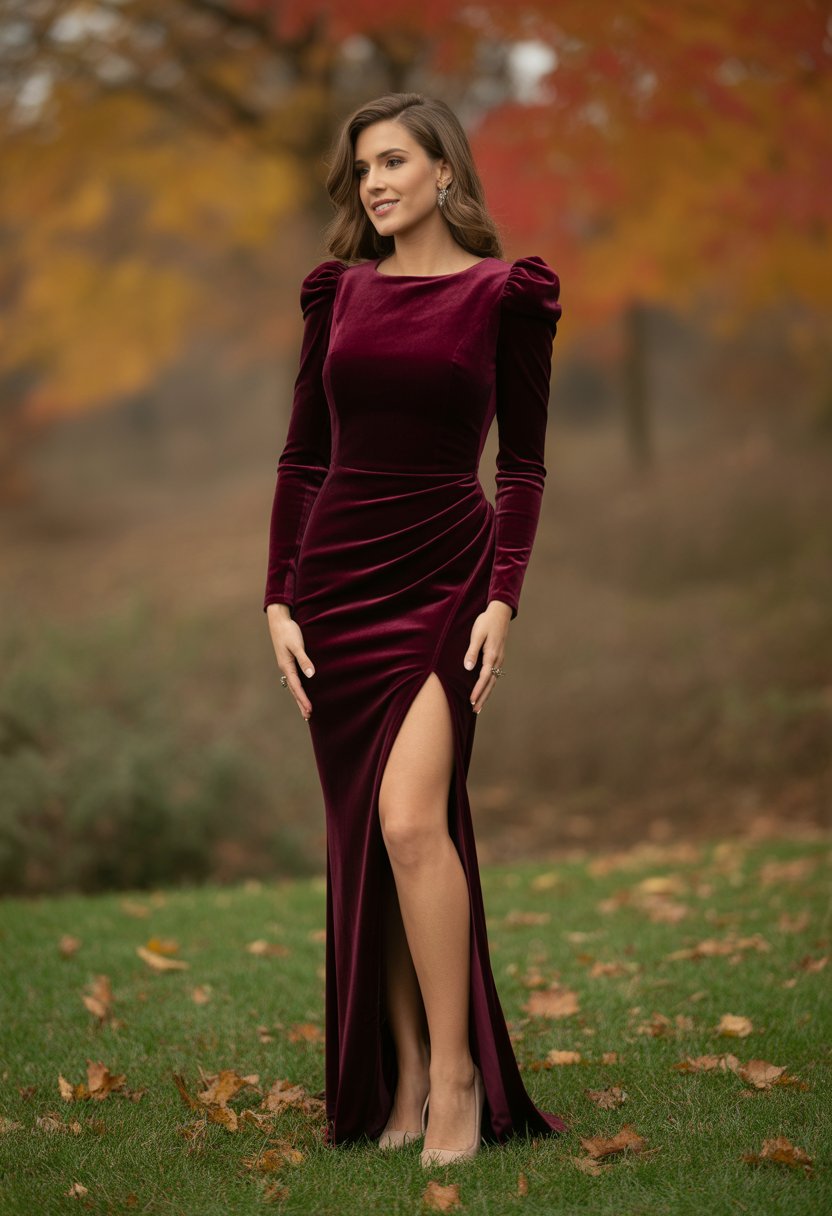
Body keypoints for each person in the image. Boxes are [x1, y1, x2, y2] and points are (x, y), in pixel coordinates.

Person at [264, 92, 567, 1166]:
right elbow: (303, 458)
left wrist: (502, 595)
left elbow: (521, 467)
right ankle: (395, 1081)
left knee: (408, 823)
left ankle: (455, 1075)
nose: (374, 183)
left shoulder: (505, 294)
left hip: (444, 575)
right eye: (362, 170)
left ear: (446, 170)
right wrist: (276, 597)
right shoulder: (335, 294)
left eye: (394, 160)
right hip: (335, 584)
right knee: (364, 841)